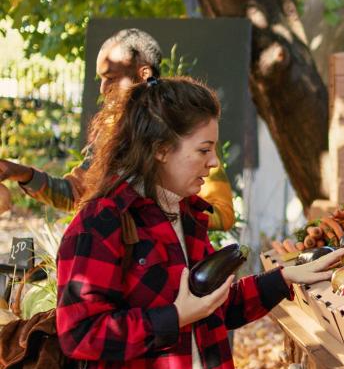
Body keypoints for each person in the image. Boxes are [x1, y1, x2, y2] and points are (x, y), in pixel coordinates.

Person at [55, 77, 344, 369]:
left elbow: (216, 307)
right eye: (204, 149)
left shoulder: (188, 214)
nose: (214, 163)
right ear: (161, 149)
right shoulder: (103, 221)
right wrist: (173, 317)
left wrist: (285, 279)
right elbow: (79, 334)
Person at [0, 28, 235, 231]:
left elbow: (222, 214)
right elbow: (77, 193)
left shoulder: (181, 123)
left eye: (110, 77)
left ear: (144, 73)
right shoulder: (111, 132)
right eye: (100, 78)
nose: (103, 88)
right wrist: (21, 173)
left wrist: (154, 214)